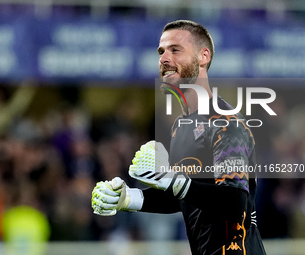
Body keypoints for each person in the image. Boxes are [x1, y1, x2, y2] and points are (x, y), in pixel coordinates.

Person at [92, 20, 267, 255]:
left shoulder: (227, 123)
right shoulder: (181, 127)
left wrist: (174, 181)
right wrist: (129, 199)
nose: (164, 58)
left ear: (203, 56)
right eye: (161, 52)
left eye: (175, 50)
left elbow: (235, 202)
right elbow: (186, 195)